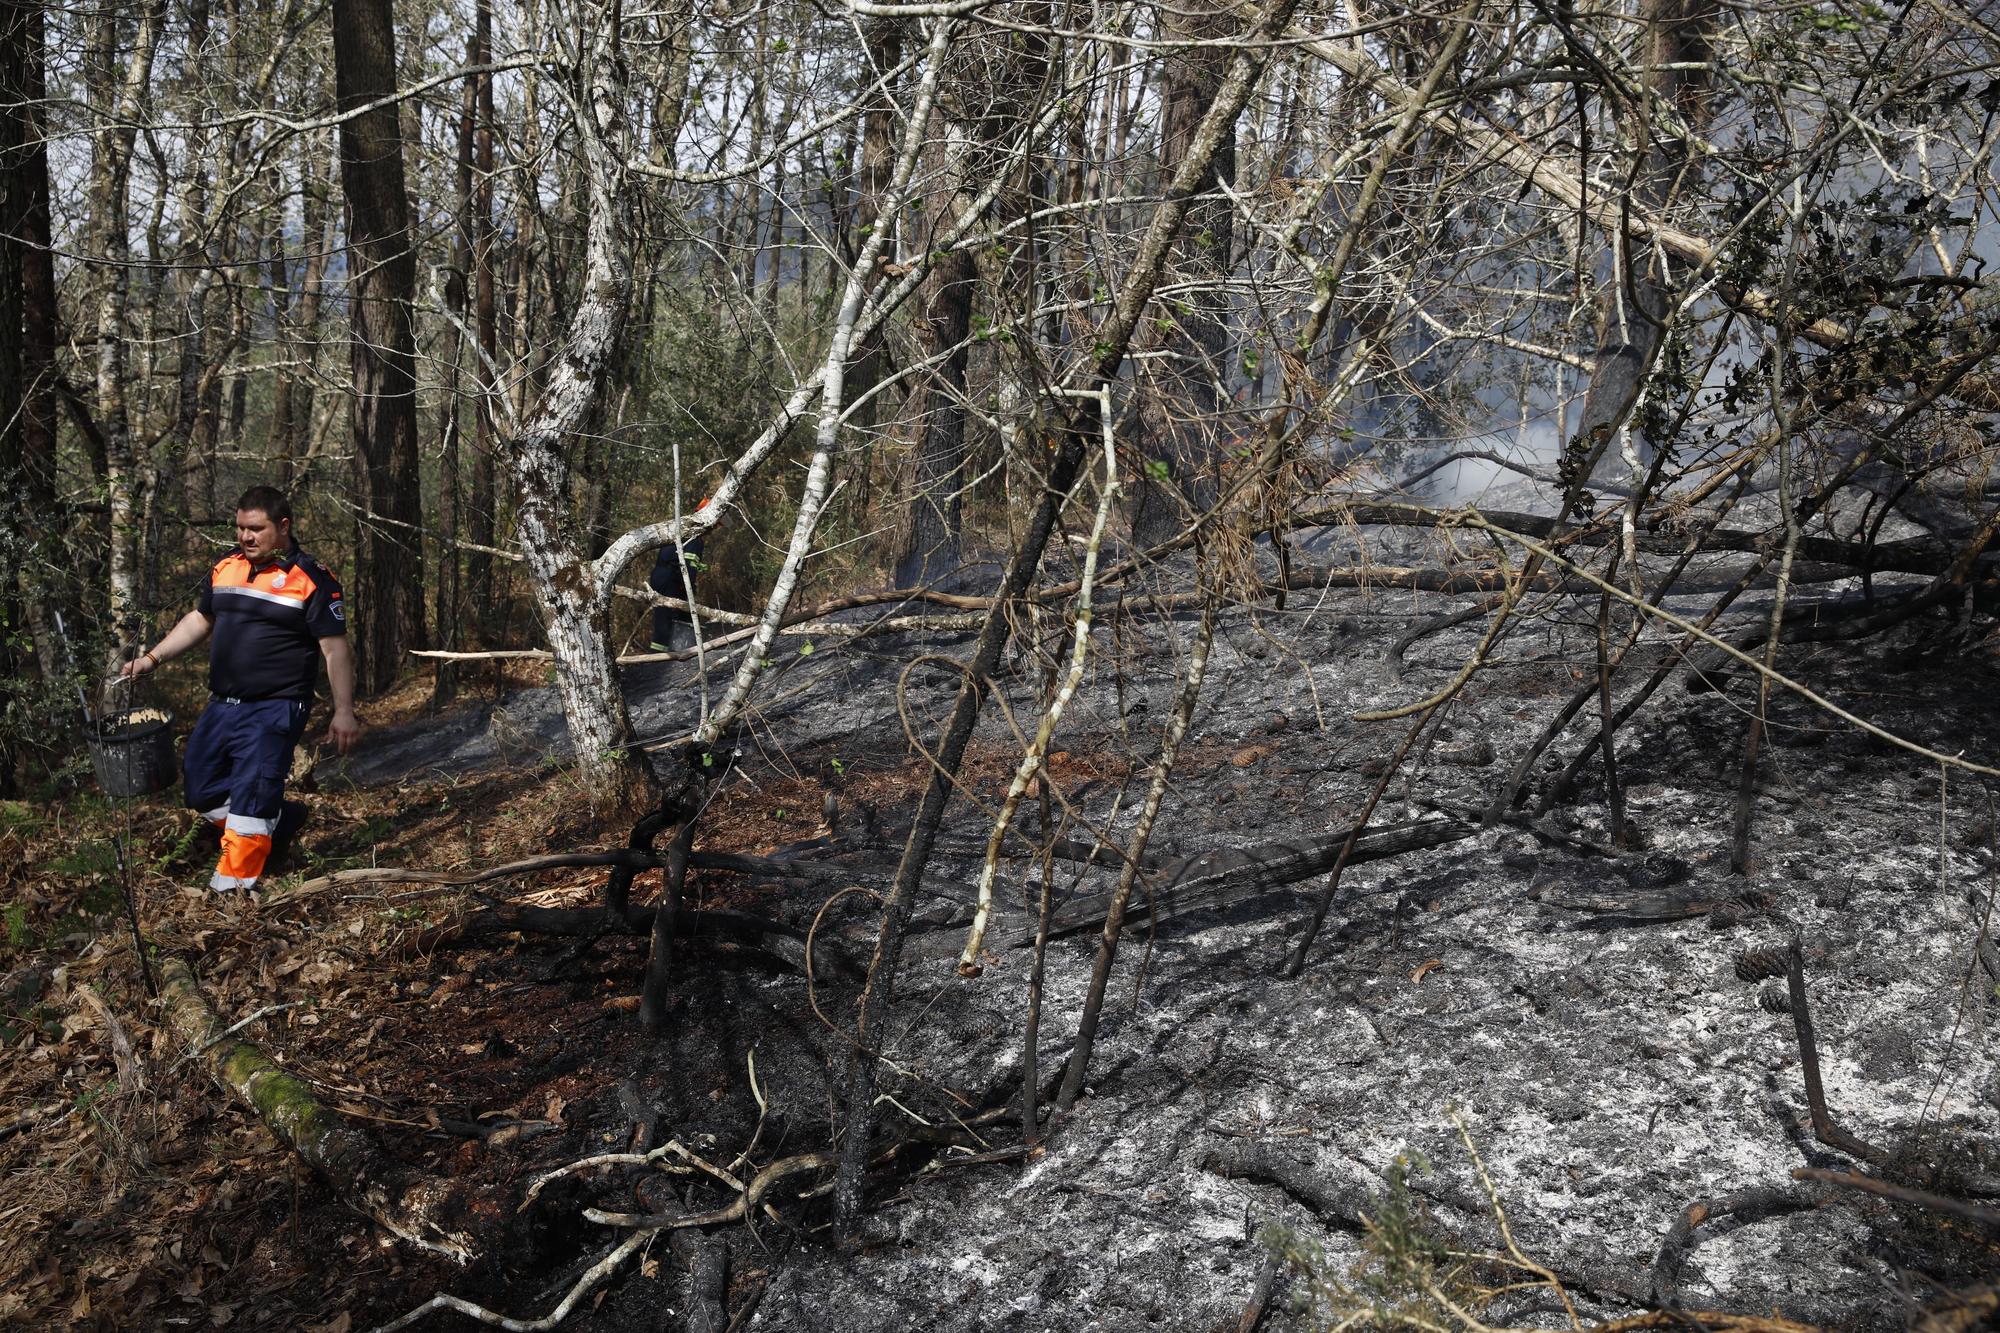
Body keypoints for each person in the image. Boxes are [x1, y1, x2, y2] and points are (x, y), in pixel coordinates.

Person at [121, 486, 360, 892]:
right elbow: (201, 620)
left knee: (252, 796)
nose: (246, 537)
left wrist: (344, 710)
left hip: (276, 707)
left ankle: (229, 892)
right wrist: (152, 658)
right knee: (200, 787)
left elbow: (334, 649)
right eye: (240, 529)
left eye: (256, 528)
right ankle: (280, 820)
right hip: (223, 705)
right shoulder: (225, 568)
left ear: (282, 527)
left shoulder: (312, 579)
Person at [648, 500, 709, 652]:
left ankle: (676, 650)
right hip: (670, 579)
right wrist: (689, 587)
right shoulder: (694, 538)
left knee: (676, 615)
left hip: (663, 576)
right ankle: (658, 656)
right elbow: (689, 567)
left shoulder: (681, 529)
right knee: (666, 616)